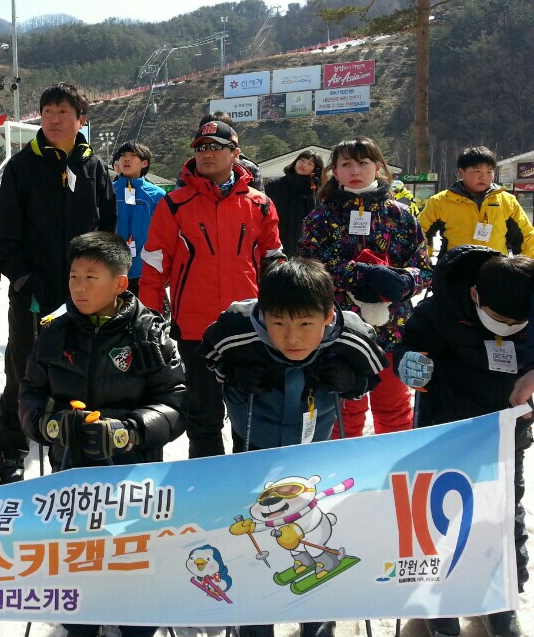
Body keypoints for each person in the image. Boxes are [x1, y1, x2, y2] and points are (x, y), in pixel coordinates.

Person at [204, 258, 386, 637]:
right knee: (258, 530)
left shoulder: (351, 335)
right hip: (254, 443)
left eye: (305, 324)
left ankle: (317, 620)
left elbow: (373, 372)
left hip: (314, 451)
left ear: (327, 315)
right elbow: (211, 357)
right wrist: (234, 375)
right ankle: (255, 620)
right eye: (279, 323)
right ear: (262, 314)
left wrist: (352, 383)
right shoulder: (236, 328)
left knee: (314, 527)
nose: (292, 338)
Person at [19, 231, 187, 637]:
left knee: (133, 564)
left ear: (119, 283)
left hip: (134, 478)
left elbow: (176, 403)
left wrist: (129, 431)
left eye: (91, 278)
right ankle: (82, 621)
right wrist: (51, 425)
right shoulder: (53, 331)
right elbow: (29, 396)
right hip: (70, 476)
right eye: (74, 277)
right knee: (79, 564)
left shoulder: (149, 333)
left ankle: (136, 621)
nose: (78, 288)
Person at [395, 246, 531, 637]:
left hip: (503, 435)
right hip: (446, 431)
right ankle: (440, 605)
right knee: (440, 517)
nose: (508, 328)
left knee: (503, 516)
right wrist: (409, 362)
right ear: (475, 295)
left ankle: (501, 598)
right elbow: (407, 345)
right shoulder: (438, 311)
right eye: (500, 320)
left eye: (518, 323)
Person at [0, 81, 116, 483]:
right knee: (23, 371)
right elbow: (5, 235)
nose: (54, 120)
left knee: (80, 372)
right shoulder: (21, 167)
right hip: (33, 293)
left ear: (81, 119)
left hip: (84, 295)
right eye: (48, 112)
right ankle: (12, 450)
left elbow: (108, 231)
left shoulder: (95, 168)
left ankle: (73, 447)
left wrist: (102, 280)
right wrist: (23, 278)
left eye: (63, 112)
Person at [140, 119, 282, 458]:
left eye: (216, 147)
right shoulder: (174, 204)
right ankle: (206, 484)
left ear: (235, 153)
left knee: (250, 416)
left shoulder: (260, 204)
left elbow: (274, 263)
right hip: (195, 329)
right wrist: (148, 322)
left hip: (249, 327)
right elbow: (154, 268)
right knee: (203, 418)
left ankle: (248, 483)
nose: (206, 153)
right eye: (201, 148)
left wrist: (280, 317)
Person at [299, 137, 431, 437]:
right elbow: (310, 268)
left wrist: (403, 281)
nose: (355, 170)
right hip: (339, 331)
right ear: (334, 171)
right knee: (343, 412)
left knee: (395, 409)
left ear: (378, 167)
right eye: (346, 164)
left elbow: (423, 268)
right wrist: (362, 274)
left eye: (363, 163)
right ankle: (344, 466)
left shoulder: (401, 215)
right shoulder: (320, 218)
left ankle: (393, 463)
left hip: (393, 330)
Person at [419, 146, 534, 259]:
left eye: (489, 172)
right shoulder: (440, 202)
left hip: (495, 268)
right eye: (477, 171)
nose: (483, 177)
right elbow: (420, 235)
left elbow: (526, 238)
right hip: (455, 268)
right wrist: (423, 264)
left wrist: (526, 267)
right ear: (461, 172)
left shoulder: (507, 201)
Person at [111, 141, 166, 296]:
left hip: (146, 269)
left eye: (133, 156)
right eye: (123, 155)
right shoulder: (109, 191)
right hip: (114, 269)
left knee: (146, 310)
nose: (126, 159)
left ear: (144, 163)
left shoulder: (157, 195)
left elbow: (165, 233)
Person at [265, 150, 323, 256]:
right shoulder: (274, 186)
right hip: (275, 245)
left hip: (302, 250)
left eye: (310, 164)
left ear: (316, 170)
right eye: (302, 160)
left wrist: (312, 192)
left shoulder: (315, 193)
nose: (304, 164)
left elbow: (316, 222)